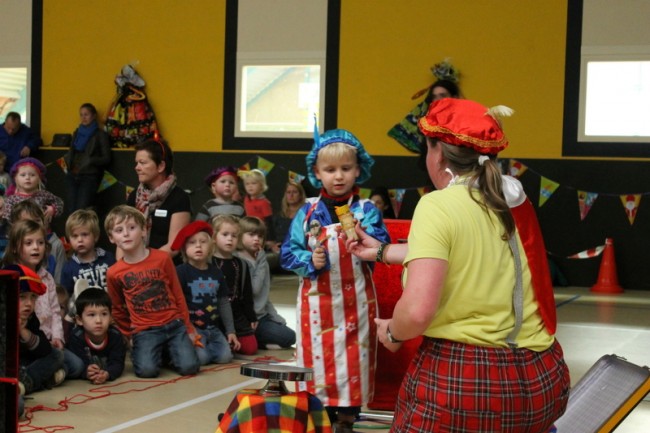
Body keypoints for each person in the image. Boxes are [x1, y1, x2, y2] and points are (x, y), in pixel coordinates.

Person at [348, 98, 570, 432]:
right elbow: (462, 251)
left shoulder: (438, 205)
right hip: (543, 378)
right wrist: (382, 252)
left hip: (468, 383)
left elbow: (419, 311)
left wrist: (392, 331)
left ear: (436, 152)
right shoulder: (510, 197)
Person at [280, 127, 389, 432]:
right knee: (318, 363)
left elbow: (381, 248)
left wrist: (363, 240)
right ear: (317, 172)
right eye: (330, 170)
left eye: (345, 168)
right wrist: (309, 261)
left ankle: (347, 418)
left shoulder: (366, 211)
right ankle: (321, 415)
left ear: (359, 170)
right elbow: (289, 253)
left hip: (356, 306)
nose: (338, 176)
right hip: (316, 308)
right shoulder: (307, 211)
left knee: (354, 363)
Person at [104, 205, 200, 378]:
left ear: (143, 231)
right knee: (146, 371)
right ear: (112, 238)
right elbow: (117, 308)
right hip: (144, 330)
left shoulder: (162, 259)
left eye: (132, 228)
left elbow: (178, 294)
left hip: (174, 325)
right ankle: (158, 352)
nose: (126, 234)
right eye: (119, 230)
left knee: (190, 367)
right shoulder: (113, 272)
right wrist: (128, 334)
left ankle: (168, 351)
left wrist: (188, 327)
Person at [2, 220, 70, 384]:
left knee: (67, 362)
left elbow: (55, 311)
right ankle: (34, 379)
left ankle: (27, 380)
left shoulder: (47, 277)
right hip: (15, 350)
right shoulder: (8, 276)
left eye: (40, 243)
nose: (36, 247)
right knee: (60, 364)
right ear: (15, 247)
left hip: (41, 340)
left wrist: (57, 336)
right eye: (29, 243)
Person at [173, 221, 240, 365]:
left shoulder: (216, 272)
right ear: (184, 248)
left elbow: (223, 302)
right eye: (192, 243)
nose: (198, 246)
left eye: (203, 242)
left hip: (213, 328)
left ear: (210, 247)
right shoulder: (181, 271)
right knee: (202, 359)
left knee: (225, 358)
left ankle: (208, 348)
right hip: (192, 328)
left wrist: (230, 331)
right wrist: (187, 329)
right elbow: (176, 303)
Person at [236, 216, 295, 350]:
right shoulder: (240, 260)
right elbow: (254, 289)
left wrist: (275, 316)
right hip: (248, 318)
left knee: (289, 334)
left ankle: (255, 339)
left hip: (262, 315)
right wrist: (262, 260)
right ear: (240, 235)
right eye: (251, 234)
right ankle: (252, 340)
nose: (256, 239)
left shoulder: (258, 257)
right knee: (288, 337)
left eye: (260, 236)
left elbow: (264, 294)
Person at [126, 137, 191, 259]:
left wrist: (147, 265)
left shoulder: (179, 197)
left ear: (161, 166)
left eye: (143, 163)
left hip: (165, 267)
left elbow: (174, 246)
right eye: (137, 163)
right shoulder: (134, 196)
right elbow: (123, 240)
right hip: (134, 266)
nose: (137, 167)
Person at [9, 263, 64, 398]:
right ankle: (37, 381)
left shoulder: (31, 317)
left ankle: (23, 384)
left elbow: (45, 349)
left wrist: (23, 331)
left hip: (24, 364)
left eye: (33, 297)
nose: (29, 303)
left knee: (57, 355)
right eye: (22, 297)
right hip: (8, 367)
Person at [211, 214, 258, 356]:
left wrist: (251, 316)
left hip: (237, 313)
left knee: (251, 348)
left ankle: (235, 340)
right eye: (225, 234)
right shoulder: (209, 263)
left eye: (234, 236)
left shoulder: (242, 264)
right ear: (214, 236)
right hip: (214, 313)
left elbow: (247, 294)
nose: (230, 239)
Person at [65, 288, 127, 384]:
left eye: (104, 314)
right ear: (79, 320)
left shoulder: (115, 336)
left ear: (111, 317)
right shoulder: (76, 336)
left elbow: (117, 363)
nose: (98, 320)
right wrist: (87, 371)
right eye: (91, 315)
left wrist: (107, 374)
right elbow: (77, 364)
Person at [60, 209, 116, 313]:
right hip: (84, 317)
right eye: (75, 236)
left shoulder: (109, 258)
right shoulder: (69, 268)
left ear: (95, 236)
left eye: (84, 234)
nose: (80, 240)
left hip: (111, 313)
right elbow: (66, 296)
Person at [63, 103, 112, 213]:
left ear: (94, 116)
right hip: (72, 174)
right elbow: (72, 151)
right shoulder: (77, 133)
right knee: (71, 209)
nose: (83, 118)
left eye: (86, 114)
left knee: (82, 209)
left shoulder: (100, 134)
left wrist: (91, 160)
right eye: (81, 115)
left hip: (89, 176)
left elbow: (106, 158)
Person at [0, 157, 64, 226]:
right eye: (23, 175)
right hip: (20, 232)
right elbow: (7, 218)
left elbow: (59, 202)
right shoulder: (11, 199)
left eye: (32, 175)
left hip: (41, 231)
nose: (27, 178)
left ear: (39, 179)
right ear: (15, 179)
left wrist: (53, 209)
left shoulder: (43, 194)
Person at [270, 181, 306, 253]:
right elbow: (271, 235)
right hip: (278, 250)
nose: (291, 195)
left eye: (294, 192)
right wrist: (272, 246)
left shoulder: (305, 214)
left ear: (300, 195)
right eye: (288, 192)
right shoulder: (280, 215)